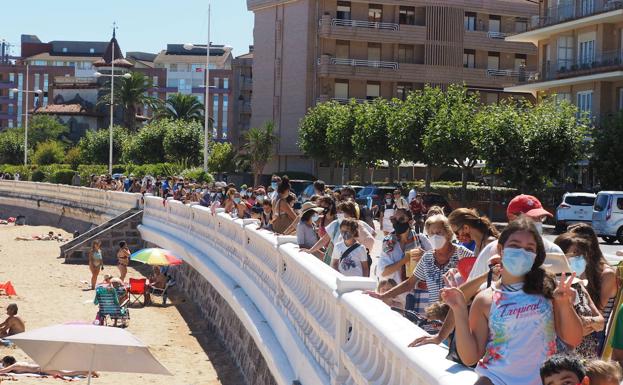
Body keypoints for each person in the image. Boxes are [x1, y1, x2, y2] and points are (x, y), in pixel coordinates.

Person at [443, 217, 582, 385]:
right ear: (501, 249)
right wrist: (459, 310)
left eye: (529, 248)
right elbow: (470, 357)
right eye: (515, 245)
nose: (522, 252)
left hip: (545, 380)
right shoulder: (485, 299)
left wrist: (564, 304)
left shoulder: (549, 290)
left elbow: (573, 339)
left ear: (536, 254)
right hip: (496, 380)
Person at [370, 214, 472, 315]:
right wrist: (383, 295)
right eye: (431, 233)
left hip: (459, 314)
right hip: (436, 315)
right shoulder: (427, 258)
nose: (435, 236)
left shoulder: (462, 254)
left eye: (439, 232)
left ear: (448, 233)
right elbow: (409, 284)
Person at [468, 194, 564, 281]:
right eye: (532, 217)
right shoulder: (491, 250)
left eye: (540, 218)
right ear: (512, 218)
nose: (538, 222)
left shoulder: (554, 250)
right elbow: (471, 289)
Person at [554, 234, 605, 358]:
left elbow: (601, 322)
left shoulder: (579, 285)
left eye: (583, 254)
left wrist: (587, 321)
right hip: (567, 359)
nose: (580, 258)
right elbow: (563, 331)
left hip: (588, 358)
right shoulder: (553, 288)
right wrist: (587, 326)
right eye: (575, 253)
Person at [0, 356, 98, 378]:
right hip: (42, 368)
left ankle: (88, 371)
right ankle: (86, 371)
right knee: (66, 372)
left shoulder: (15, 366)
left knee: (67, 373)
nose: (3, 365)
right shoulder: (17, 364)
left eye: (4, 363)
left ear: (8, 363)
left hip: (42, 370)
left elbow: (3, 371)